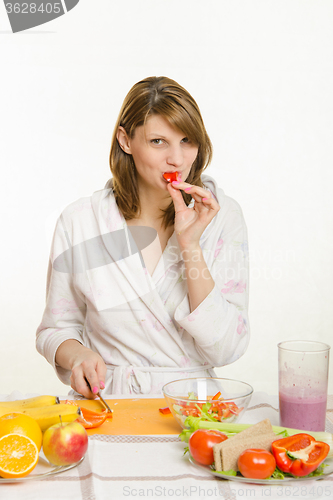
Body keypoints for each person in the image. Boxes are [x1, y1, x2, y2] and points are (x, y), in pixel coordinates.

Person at [36, 76, 250, 398]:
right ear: (125, 141)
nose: (177, 159)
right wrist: (78, 354)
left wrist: (190, 245)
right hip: (108, 404)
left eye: (187, 141)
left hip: (192, 409)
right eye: (158, 142)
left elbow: (227, 347)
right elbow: (56, 328)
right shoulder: (80, 221)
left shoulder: (223, 216)